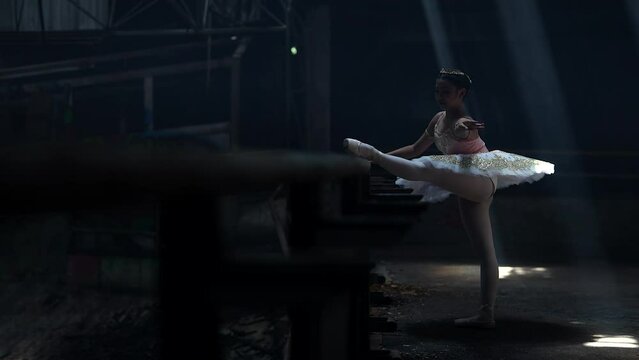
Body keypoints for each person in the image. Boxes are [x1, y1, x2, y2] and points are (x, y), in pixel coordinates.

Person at [344, 68, 554, 329]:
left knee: (431, 168)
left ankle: (371, 153)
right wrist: (387, 161)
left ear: (461, 93)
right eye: (437, 91)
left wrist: (464, 129)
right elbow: (415, 149)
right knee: (485, 251)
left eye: (446, 92)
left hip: (481, 179)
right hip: (466, 183)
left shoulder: (463, 121)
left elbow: (464, 129)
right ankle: (486, 314)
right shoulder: (437, 119)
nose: (440, 96)